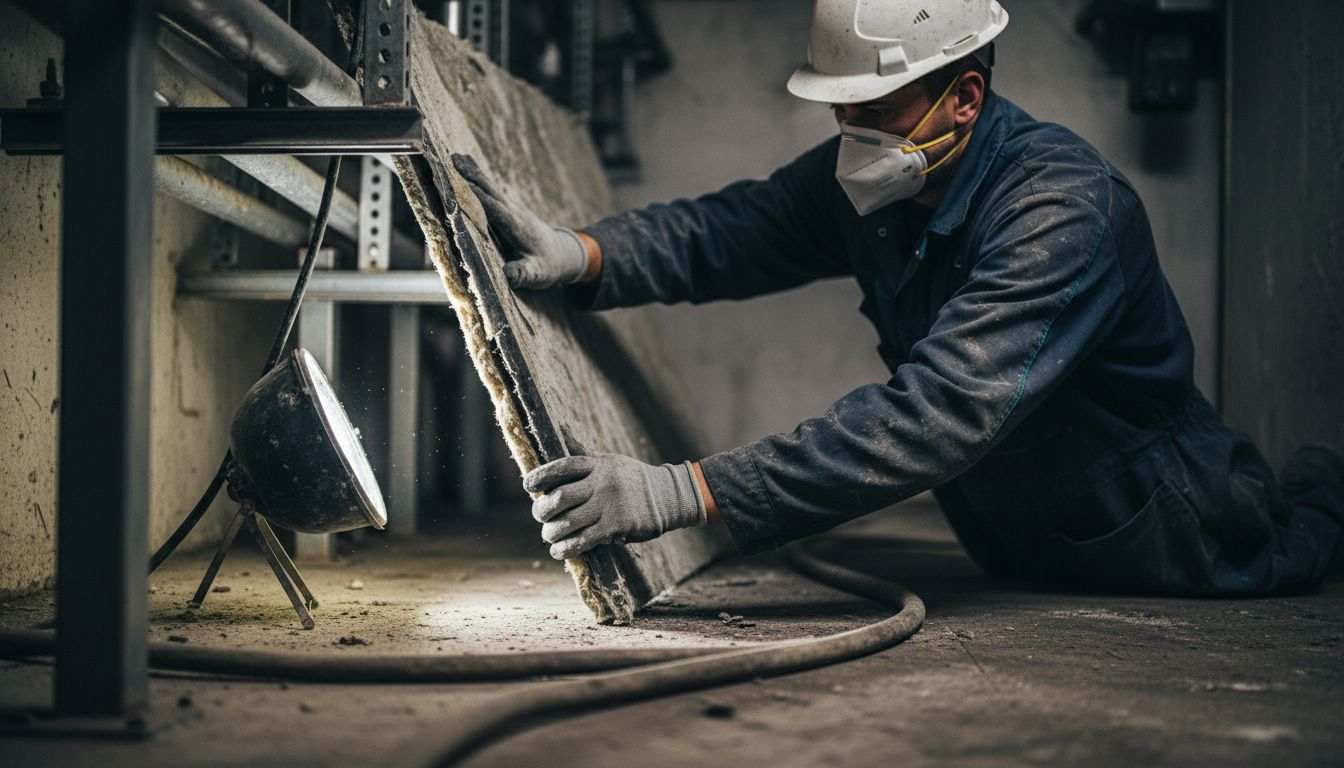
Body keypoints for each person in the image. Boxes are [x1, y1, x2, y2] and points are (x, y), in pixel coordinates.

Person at [454, 0, 1343, 595]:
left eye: (874, 108)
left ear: (964, 98)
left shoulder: (1065, 209)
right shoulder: (883, 173)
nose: (852, 134)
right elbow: (735, 229)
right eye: (842, 111)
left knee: (1310, 521)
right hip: (1018, 538)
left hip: (1164, 533)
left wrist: (685, 493)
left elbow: (936, 412)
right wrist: (582, 252)